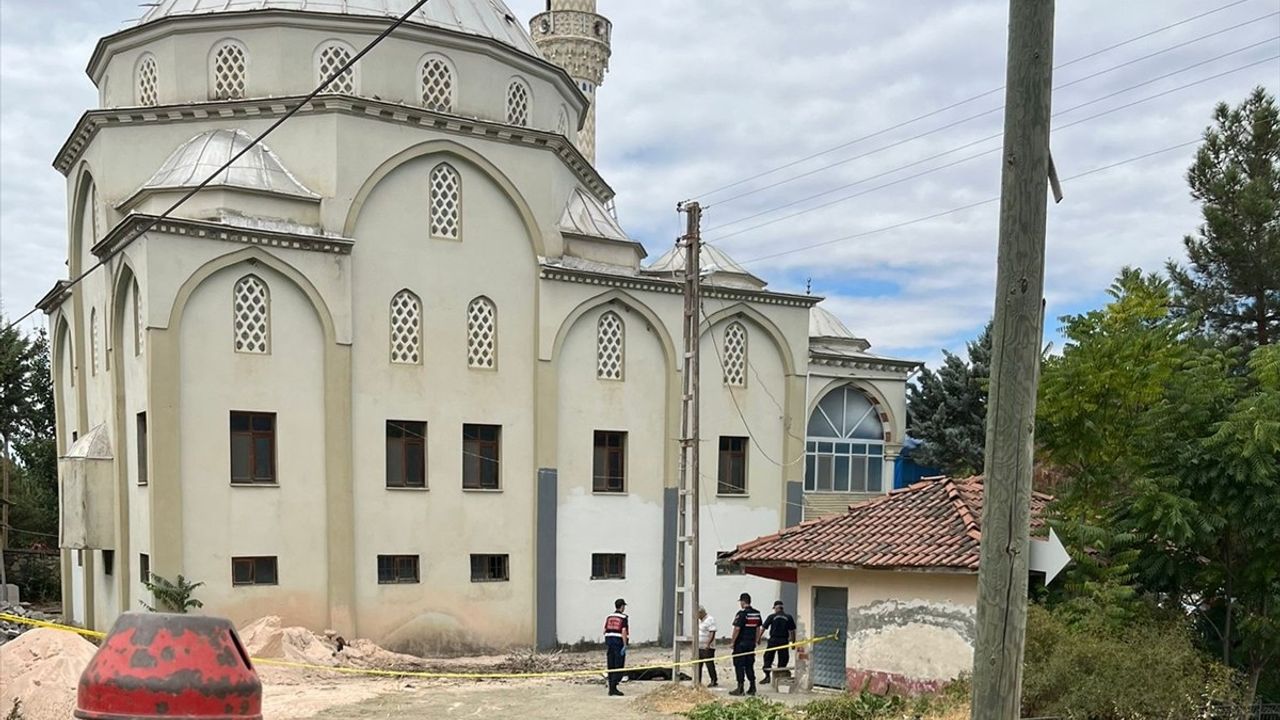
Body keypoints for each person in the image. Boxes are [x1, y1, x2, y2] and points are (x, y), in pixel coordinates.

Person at [728, 592, 763, 696]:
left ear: (743, 602)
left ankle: (740, 687)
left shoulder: (741, 614)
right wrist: (757, 639)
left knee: (739, 665)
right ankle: (752, 686)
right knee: (749, 665)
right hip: (751, 643)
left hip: (741, 644)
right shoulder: (756, 613)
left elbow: (737, 628)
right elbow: (758, 628)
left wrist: (732, 642)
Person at [761, 600, 797, 684]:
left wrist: (758, 638)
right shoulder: (788, 617)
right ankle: (780, 675)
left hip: (773, 640)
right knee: (783, 658)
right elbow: (792, 631)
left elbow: (763, 628)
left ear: (776, 608)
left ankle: (767, 676)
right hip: (783, 641)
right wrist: (793, 643)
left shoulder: (772, 616)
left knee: (767, 657)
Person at [603, 598, 629, 696]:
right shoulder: (623, 617)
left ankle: (611, 688)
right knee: (618, 666)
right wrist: (625, 644)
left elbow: (604, 630)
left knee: (611, 665)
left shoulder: (609, 616)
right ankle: (614, 688)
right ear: (622, 607)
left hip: (609, 642)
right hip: (618, 643)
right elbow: (623, 631)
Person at [696, 606, 719, 687]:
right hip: (699, 646)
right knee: (698, 664)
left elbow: (712, 632)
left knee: (709, 664)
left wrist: (708, 644)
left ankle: (713, 679)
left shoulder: (710, 619)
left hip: (707, 646)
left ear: (701, 613)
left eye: (697, 614)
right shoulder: (699, 621)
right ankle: (698, 680)